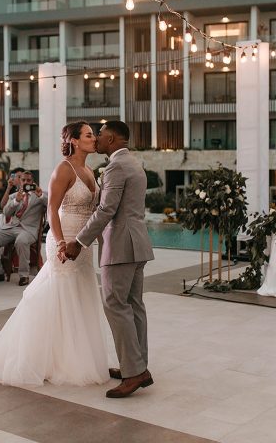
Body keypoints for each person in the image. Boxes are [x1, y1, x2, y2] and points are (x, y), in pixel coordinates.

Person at [0, 122, 111, 386]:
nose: (95, 138)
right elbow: (51, 209)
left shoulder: (90, 170)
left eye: (93, 134)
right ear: (73, 141)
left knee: (79, 298)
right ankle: (42, 359)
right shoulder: (64, 169)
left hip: (83, 244)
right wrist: (61, 243)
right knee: (59, 296)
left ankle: (72, 355)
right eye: (88, 135)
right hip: (64, 240)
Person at [65, 119, 155, 399]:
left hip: (120, 246)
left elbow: (107, 210)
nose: (98, 139)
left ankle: (134, 373)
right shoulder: (134, 163)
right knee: (134, 305)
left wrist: (78, 241)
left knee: (115, 305)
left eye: (101, 135)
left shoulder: (116, 165)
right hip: (137, 243)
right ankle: (139, 366)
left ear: (113, 139)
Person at [0, 171, 47, 286]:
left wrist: (41, 195)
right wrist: (16, 201)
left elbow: (51, 205)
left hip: (29, 229)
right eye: (23, 180)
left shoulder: (40, 194)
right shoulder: (14, 196)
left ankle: (24, 276)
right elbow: (6, 212)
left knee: (21, 241)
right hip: (12, 227)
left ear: (33, 182)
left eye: (28, 180)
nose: (26, 182)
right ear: (20, 182)